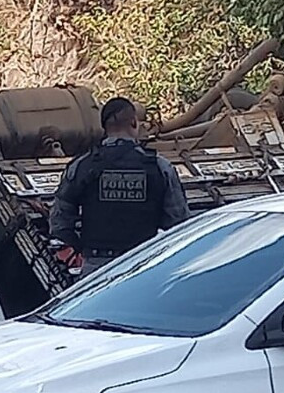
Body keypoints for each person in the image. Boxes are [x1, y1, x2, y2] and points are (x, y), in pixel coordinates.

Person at [50, 97, 191, 277]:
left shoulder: (82, 166)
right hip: (143, 265)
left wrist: (80, 246)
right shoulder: (159, 166)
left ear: (105, 128)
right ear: (134, 122)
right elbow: (179, 222)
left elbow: (59, 220)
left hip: (95, 269)